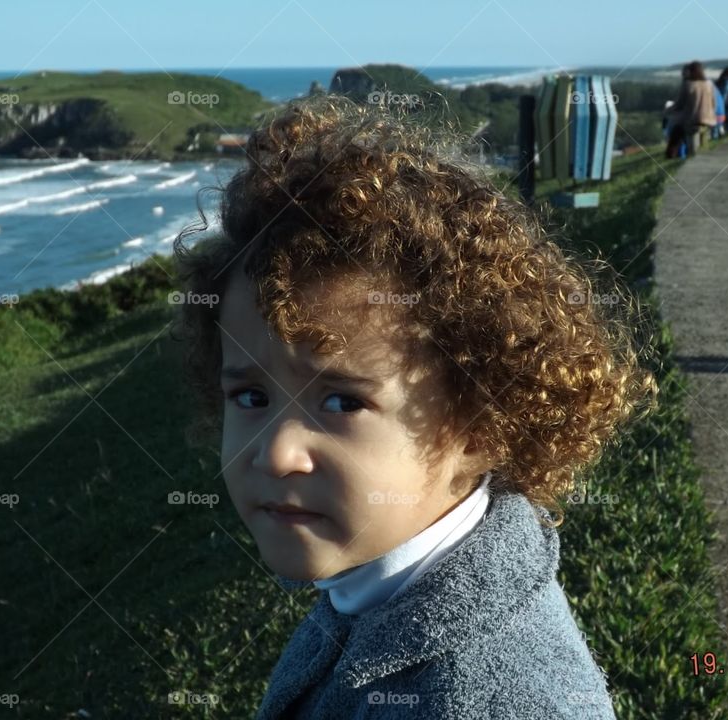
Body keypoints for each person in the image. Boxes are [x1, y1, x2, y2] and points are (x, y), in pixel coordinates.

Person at [174, 95, 658, 719]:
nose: (276, 452)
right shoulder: (377, 582)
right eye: (250, 396)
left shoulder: (493, 702)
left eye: (342, 400)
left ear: (481, 424)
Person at [666, 61, 717, 157]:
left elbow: (679, 104)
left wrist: (668, 109)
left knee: (675, 128)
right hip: (710, 119)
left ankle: (674, 154)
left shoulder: (688, 85)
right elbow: (714, 103)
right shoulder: (709, 84)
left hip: (693, 120)